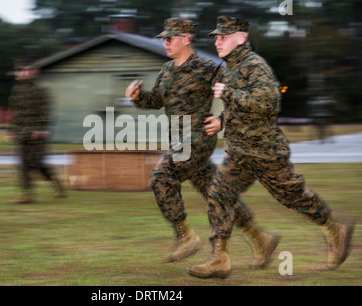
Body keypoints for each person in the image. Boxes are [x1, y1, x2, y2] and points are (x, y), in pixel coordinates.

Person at [188, 16, 354, 278]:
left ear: (240, 38)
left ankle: (334, 229)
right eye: (216, 38)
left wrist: (229, 94)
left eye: (223, 37)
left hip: (265, 151)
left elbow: (269, 104)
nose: (217, 41)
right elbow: (240, 109)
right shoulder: (230, 67)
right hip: (239, 152)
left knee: (292, 196)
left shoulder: (255, 65)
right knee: (218, 194)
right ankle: (221, 257)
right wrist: (221, 122)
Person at [125, 18, 279, 267]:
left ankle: (186, 237)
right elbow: (156, 100)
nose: (165, 42)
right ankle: (260, 238)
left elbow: (239, 94)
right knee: (218, 195)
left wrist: (222, 120)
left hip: (197, 140)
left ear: (186, 39)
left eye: (170, 38)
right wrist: (137, 97)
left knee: (161, 177)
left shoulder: (209, 68)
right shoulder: (166, 69)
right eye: (163, 38)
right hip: (178, 141)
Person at [5, 65, 65, 203]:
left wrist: (41, 130)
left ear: (32, 73)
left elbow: (46, 112)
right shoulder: (17, 91)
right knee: (23, 164)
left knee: (37, 164)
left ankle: (55, 183)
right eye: (17, 71)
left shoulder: (41, 90)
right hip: (22, 133)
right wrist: (11, 131)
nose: (18, 74)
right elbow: (13, 112)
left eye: (21, 70)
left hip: (36, 133)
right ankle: (25, 195)